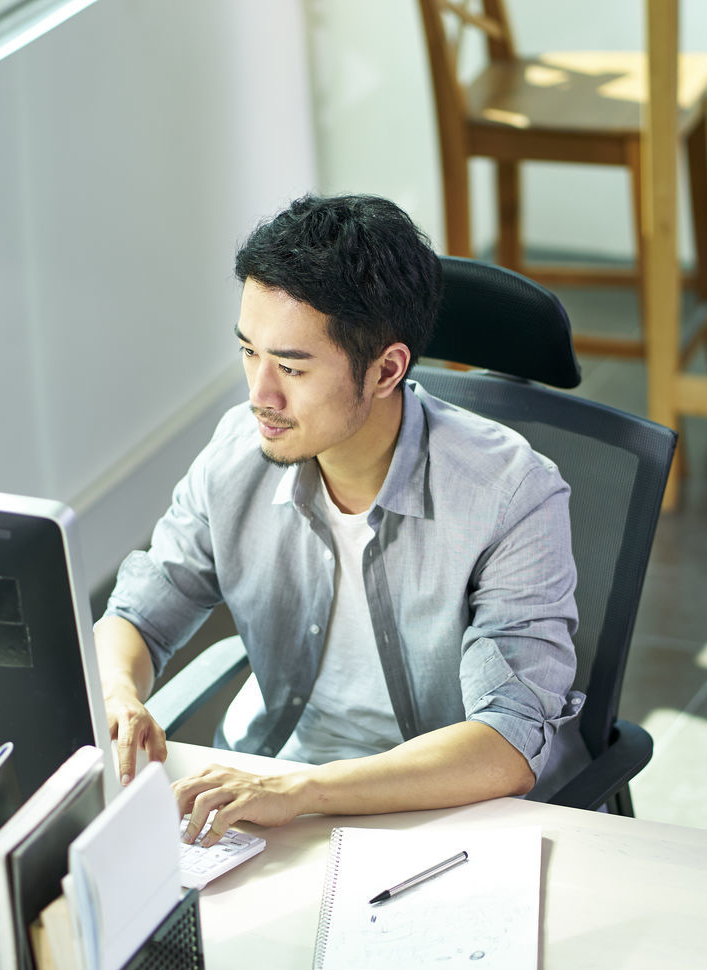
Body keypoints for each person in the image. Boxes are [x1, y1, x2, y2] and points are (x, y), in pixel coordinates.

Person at [95, 193, 588, 844]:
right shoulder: (236, 453)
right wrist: (118, 695)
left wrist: (304, 791)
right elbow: (138, 613)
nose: (260, 394)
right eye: (249, 352)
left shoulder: (510, 493)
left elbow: (507, 743)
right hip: (274, 786)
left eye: (291, 367)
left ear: (386, 369)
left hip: (439, 810)